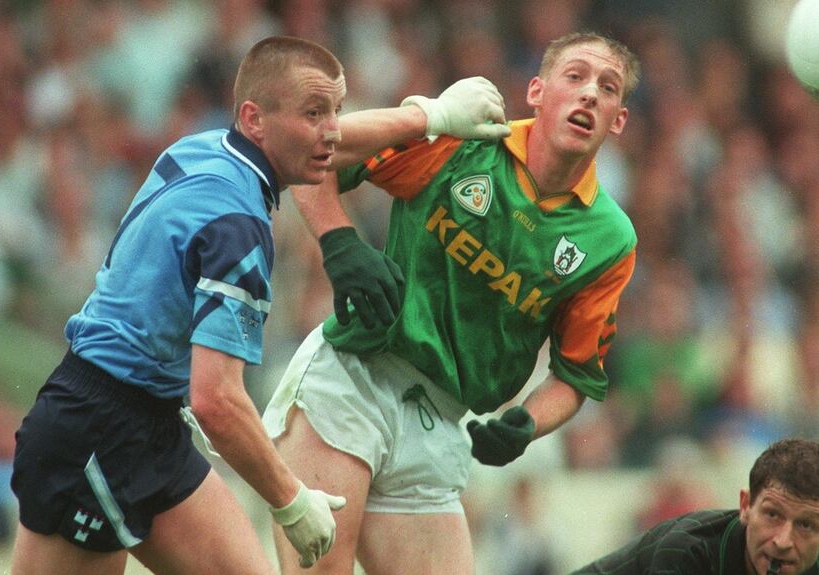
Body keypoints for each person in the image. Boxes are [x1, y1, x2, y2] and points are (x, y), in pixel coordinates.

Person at [9, 35, 510, 575]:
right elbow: (216, 400)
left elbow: (327, 145)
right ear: (254, 119)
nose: (332, 131)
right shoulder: (239, 228)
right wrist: (291, 499)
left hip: (148, 422)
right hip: (96, 434)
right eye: (313, 112)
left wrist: (430, 115)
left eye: (336, 111)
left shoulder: (199, 149)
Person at [262, 31, 641, 574]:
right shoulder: (466, 140)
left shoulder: (610, 239)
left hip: (439, 420)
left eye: (607, 88)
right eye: (575, 76)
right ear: (537, 92)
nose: (589, 94)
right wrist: (338, 240)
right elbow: (310, 154)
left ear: (618, 119)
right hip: (353, 380)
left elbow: (576, 377)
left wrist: (526, 424)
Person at [571, 438, 819, 575]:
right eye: (772, 514)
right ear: (745, 506)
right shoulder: (687, 551)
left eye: (806, 525)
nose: (782, 541)